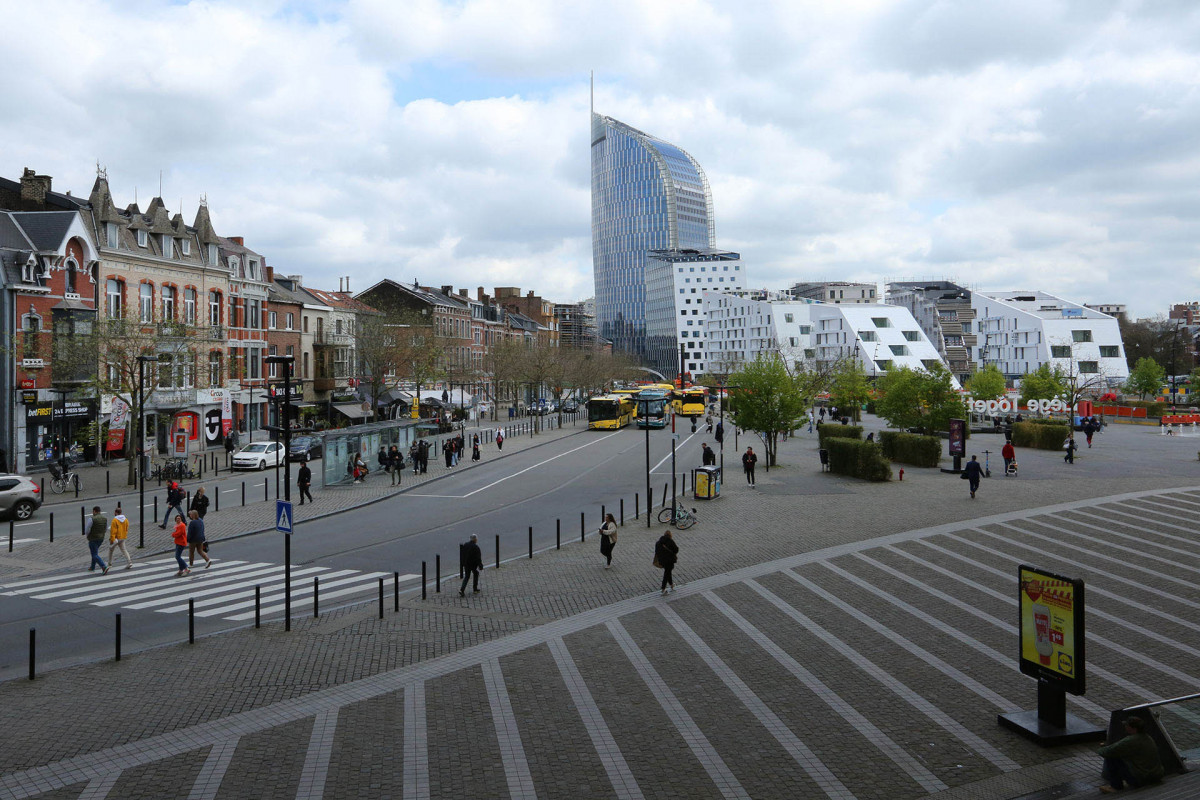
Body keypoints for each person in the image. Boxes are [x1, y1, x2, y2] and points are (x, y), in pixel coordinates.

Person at [1097, 716, 1164, 794]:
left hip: (1142, 778)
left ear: (1133, 728)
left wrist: (1101, 748)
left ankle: (1115, 786)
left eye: (1127, 725)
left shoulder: (1131, 740)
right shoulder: (1148, 737)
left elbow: (1108, 751)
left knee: (1112, 757)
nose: (1125, 727)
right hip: (1156, 775)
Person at [83, 506, 109, 574]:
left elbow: (87, 529)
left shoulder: (91, 519)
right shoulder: (104, 518)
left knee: (94, 554)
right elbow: (106, 528)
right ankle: (92, 567)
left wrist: (87, 535)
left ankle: (103, 566)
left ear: (94, 511)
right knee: (95, 552)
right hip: (101, 538)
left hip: (93, 538)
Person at [107, 504, 132, 569]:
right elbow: (126, 528)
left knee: (111, 550)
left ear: (116, 512)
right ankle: (129, 562)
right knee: (124, 550)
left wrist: (112, 539)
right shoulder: (125, 520)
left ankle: (109, 564)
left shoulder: (114, 520)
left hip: (116, 538)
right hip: (123, 537)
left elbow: (113, 531)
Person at [654, 530, 679, 595]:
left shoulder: (658, 543)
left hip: (662, 560)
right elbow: (676, 550)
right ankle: (663, 588)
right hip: (669, 560)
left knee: (668, 572)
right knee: (667, 573)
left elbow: (656, 552)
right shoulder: (670, 541)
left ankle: (671, 584)